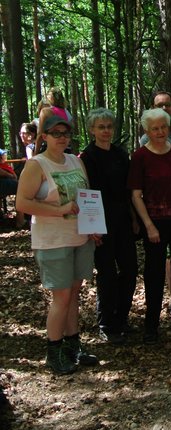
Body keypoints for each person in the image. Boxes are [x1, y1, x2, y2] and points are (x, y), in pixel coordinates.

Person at [16, 115, 98, 374]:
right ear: (44, 137)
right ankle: (54, 352)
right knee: (61, 297)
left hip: (79, 237)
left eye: (66, 133)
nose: (62, 137)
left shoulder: (75, 161)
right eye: (55, 133)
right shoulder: (37, 165)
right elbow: (23, 204)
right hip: (52, 241)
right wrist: (58, 209)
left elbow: (86, 197)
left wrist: (94, 226)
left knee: (74, 294)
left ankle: (73, 346)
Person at [128, 108, 171, 344]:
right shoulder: (140, 157)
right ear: (146, 130)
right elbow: (136, 195)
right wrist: (148, 226)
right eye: (154, 128)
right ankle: (151, 324)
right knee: (154, 273)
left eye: (163, 127)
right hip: (155, 221)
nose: (159, 132)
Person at [80, 108, 138, 344]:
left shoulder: (121, 154)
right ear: (92, 130)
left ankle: (122, 317)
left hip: (123, 218)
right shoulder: (88, 157)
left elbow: (129, 191)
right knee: (107, 273)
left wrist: (134, 219)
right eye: (101, 127)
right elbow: (85, 194)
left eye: (109, 126)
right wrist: (91, 227)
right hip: (99, 221)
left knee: (130, 269)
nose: (106, 131)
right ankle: (107, 323)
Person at [35, 87, 73, 155]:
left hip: (50, 149)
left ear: (50, 98)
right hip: (66, 149)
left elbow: (40, 135)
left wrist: (35, 153)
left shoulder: (46, 112)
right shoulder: (67, 113)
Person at [0, 149, 26, 228]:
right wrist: (10, 175)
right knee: (21, 188)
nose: (5, 157)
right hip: (2, 183)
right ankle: (20, 221)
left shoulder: (4, 165)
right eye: (3, 155)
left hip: (4, 182)